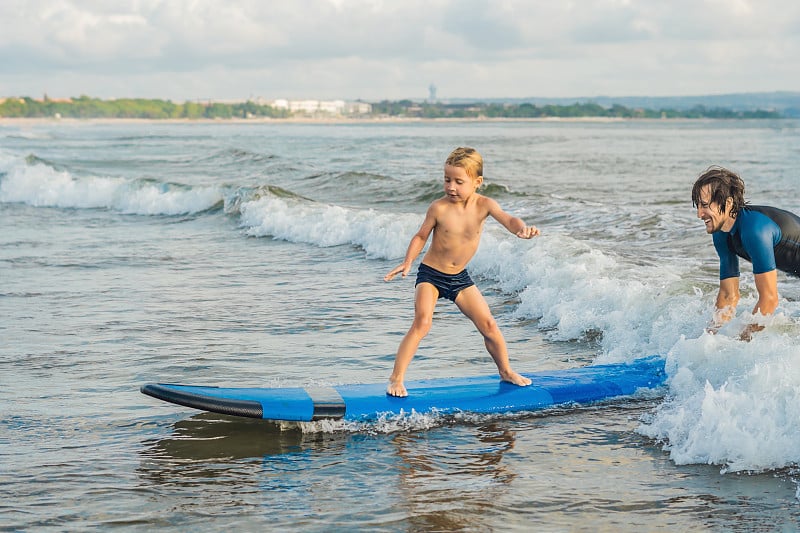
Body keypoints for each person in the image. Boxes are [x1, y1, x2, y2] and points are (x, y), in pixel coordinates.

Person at [383, 147, 540, 397]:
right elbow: (421, 235)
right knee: (422, 323)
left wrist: (521, 230)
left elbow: (509, 219)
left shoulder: (485, 205)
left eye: (458, 181)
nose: (451, 187)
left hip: (459, 278)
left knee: (489, 324)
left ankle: (506, 371)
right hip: (431, 275)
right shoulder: (439, 208)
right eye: (447, 180)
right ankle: (396, 378)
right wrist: (408, 261)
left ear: (477, 182)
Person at [692, 166, 800, 340]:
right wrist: (710, 339)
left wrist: (741, 341)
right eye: (697, 206)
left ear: (727, 204)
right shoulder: (721, 234)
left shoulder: (754, 230)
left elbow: (770, 300)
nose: (699, 214)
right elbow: (728, 296)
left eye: (704, 205)